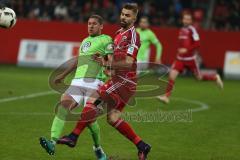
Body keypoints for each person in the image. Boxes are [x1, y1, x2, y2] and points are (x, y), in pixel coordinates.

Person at [57, 3, 151, 160]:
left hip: (124, 81)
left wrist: (106, 63)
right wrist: (108, 66)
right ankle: (142, 146)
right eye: (122, 14)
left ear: (134, 18)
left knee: (92, 103)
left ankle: (73, 137)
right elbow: (112, 59)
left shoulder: (133, 35)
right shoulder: (119, 33)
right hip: (118, 79)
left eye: (127, 15)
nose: (123, 17)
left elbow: (128, 62)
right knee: (112, 118)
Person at [39, 15, 113, 160]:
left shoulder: (107, 40)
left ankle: (98, 148)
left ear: (101, 26)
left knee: (89, 119)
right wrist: (63, 75)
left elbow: (111, 62)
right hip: (77, 82)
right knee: (62, 107)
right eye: (89, 23)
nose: (90, 26)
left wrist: (104, 62)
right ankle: (52, 142)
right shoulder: (85, 41)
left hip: (95, 82)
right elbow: (78, 60)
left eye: (94, 24)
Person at [158, 12, 224, 104]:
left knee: (199, 78)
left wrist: (186, 50)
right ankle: (166, 97)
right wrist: (180, 50)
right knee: (172, 76)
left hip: (190, 60)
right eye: (185, 19)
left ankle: (215, 78)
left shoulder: (192, 30)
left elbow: (197, 44)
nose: (186, 21)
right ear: (182, 20)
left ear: (191, 21)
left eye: (188, 19)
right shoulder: (181, 30)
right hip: (180, 59)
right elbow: (182, 44)